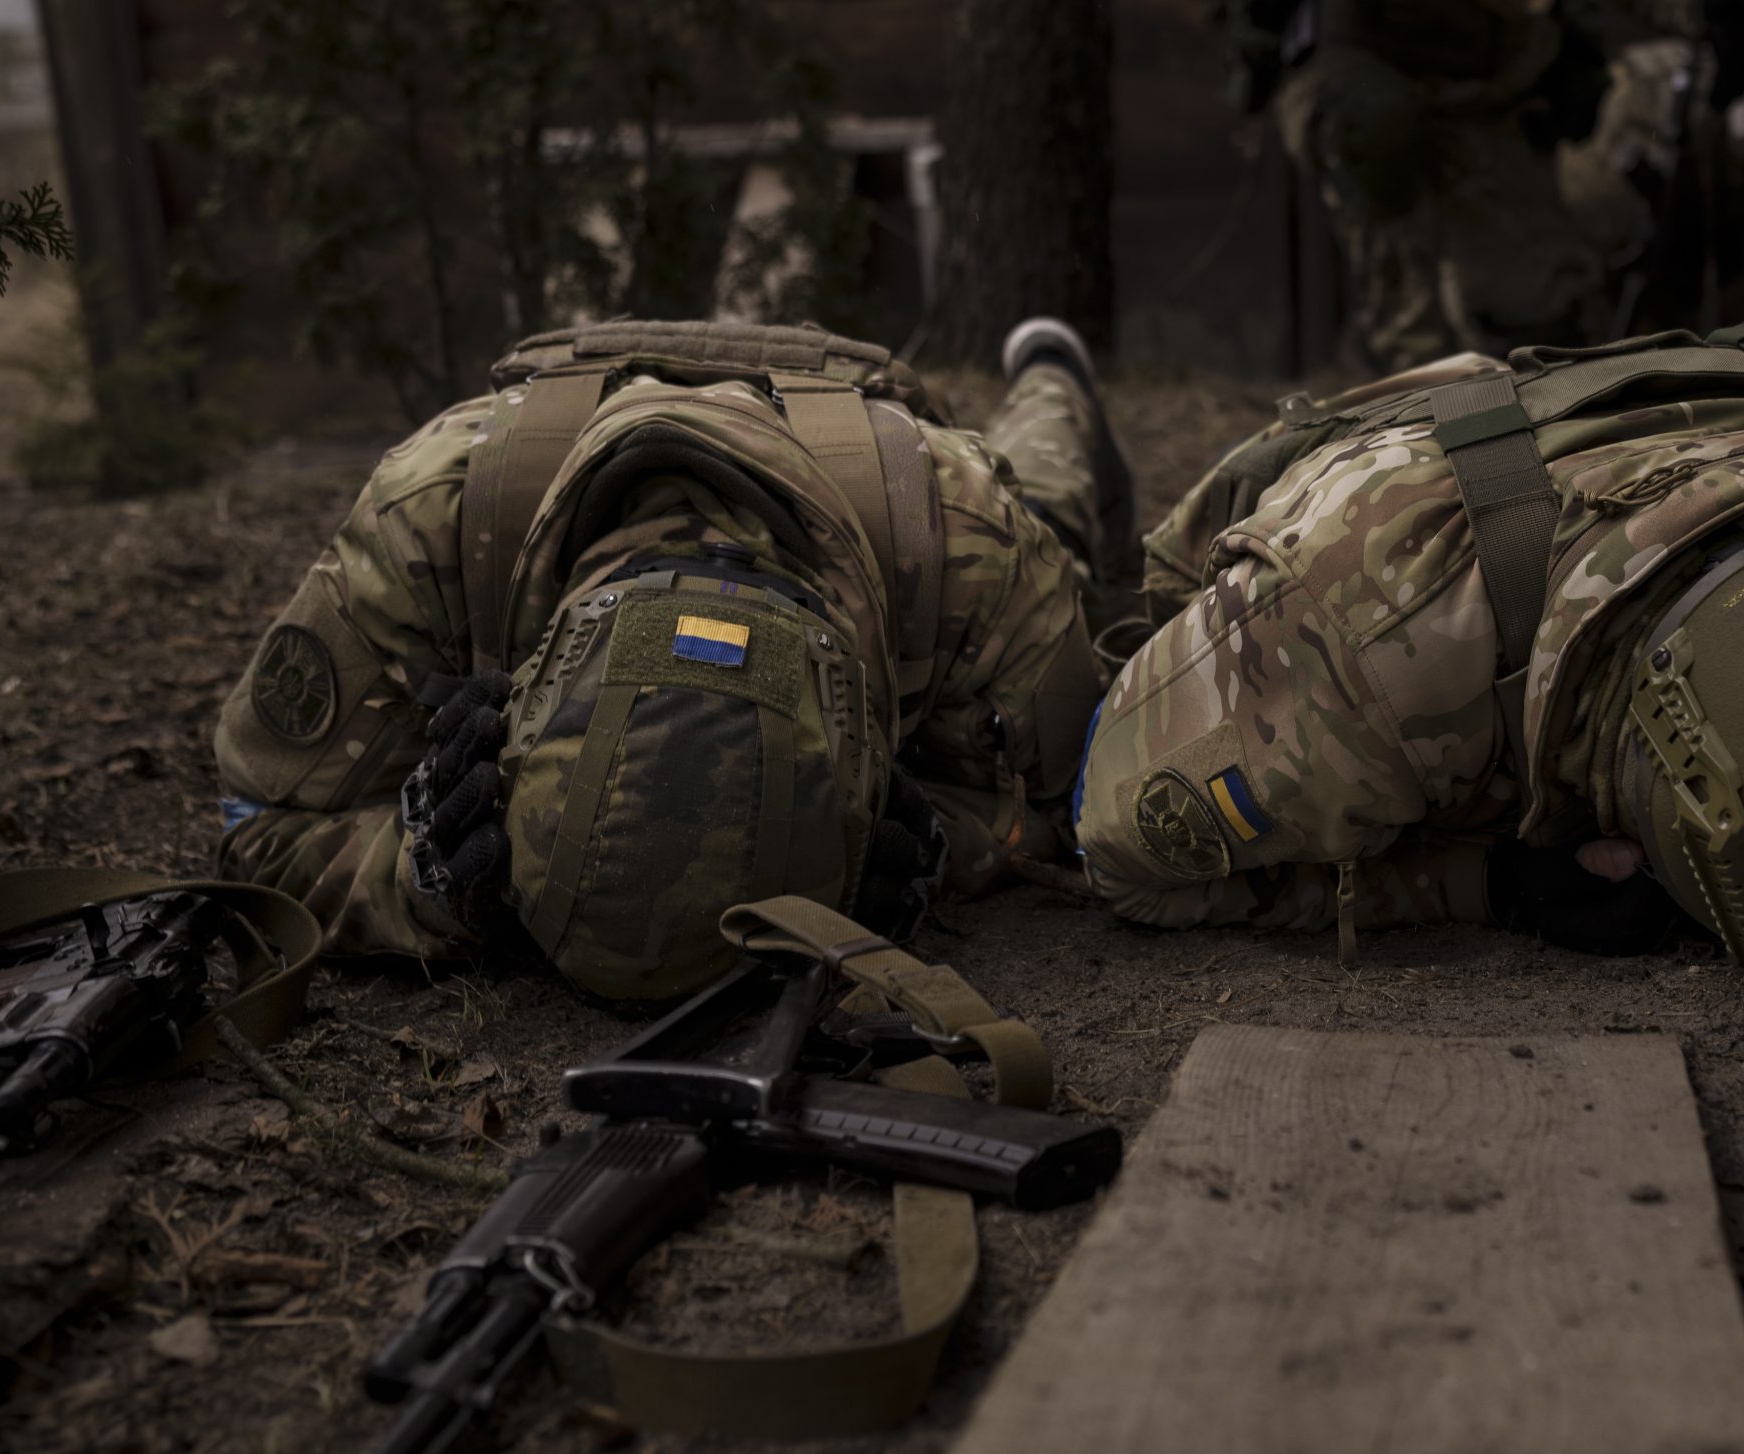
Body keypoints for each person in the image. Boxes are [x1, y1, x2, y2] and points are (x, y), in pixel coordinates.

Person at [1074, 324, 1744, 989]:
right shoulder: (1362, 665)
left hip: (1579, 431)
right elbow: (1115, 851)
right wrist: (1485, 884)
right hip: (1357, 505)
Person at [214, 317, 1129, 1000]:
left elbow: (1061, 806)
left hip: (891, 491)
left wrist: (927, 843)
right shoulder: (428, 525)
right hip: (833, 503)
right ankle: (1047, 378)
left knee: (1051, 488)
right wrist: (429, 876)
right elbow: (252, 816)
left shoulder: (975, 545)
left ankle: (1051, 373)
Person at [1216, 0, 1744, 370]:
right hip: (1357, 72)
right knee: (1377, 130)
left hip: (1488, 89)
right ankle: (1402, 367)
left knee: (1541, 321)